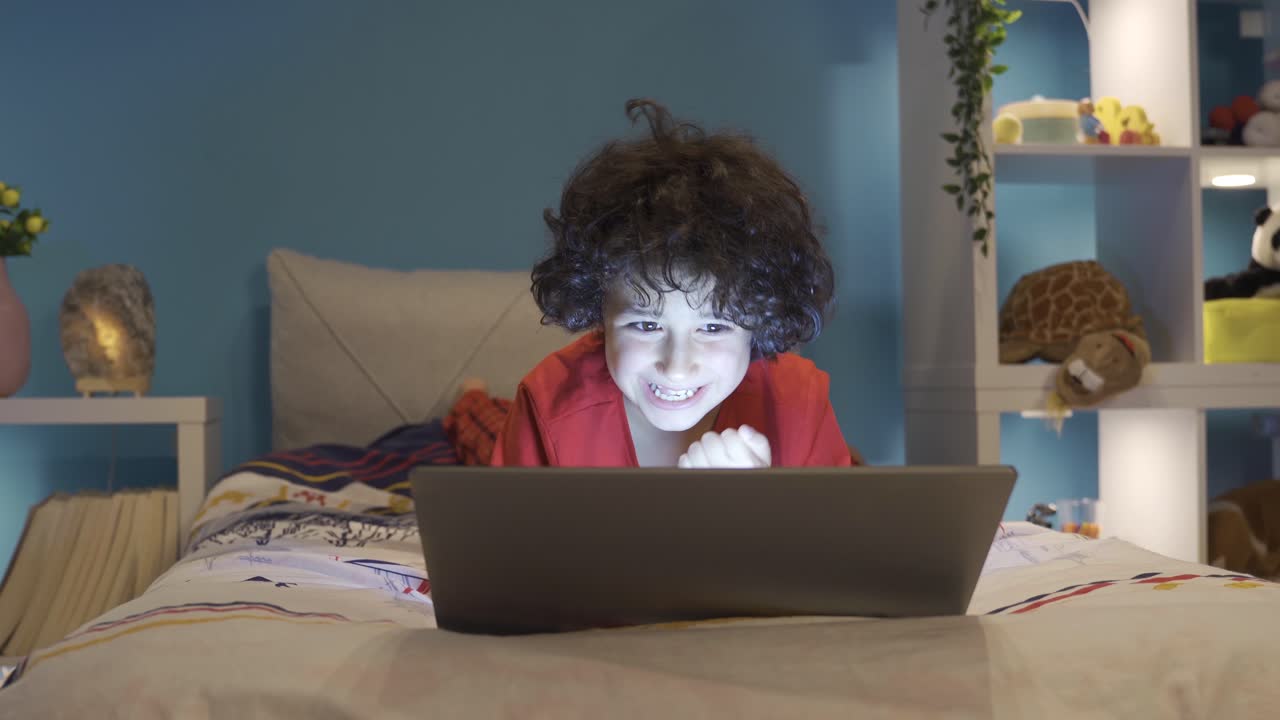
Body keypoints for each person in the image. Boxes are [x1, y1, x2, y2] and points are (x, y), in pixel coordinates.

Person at [488, 98, 857, 468]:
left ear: (759, 324)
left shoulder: (798, 402)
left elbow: (840, 524)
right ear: (599, 310)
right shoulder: (549, 401)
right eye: (646, 325)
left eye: (713, 327)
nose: (676, 367)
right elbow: (504, 525)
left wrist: (754, 510)